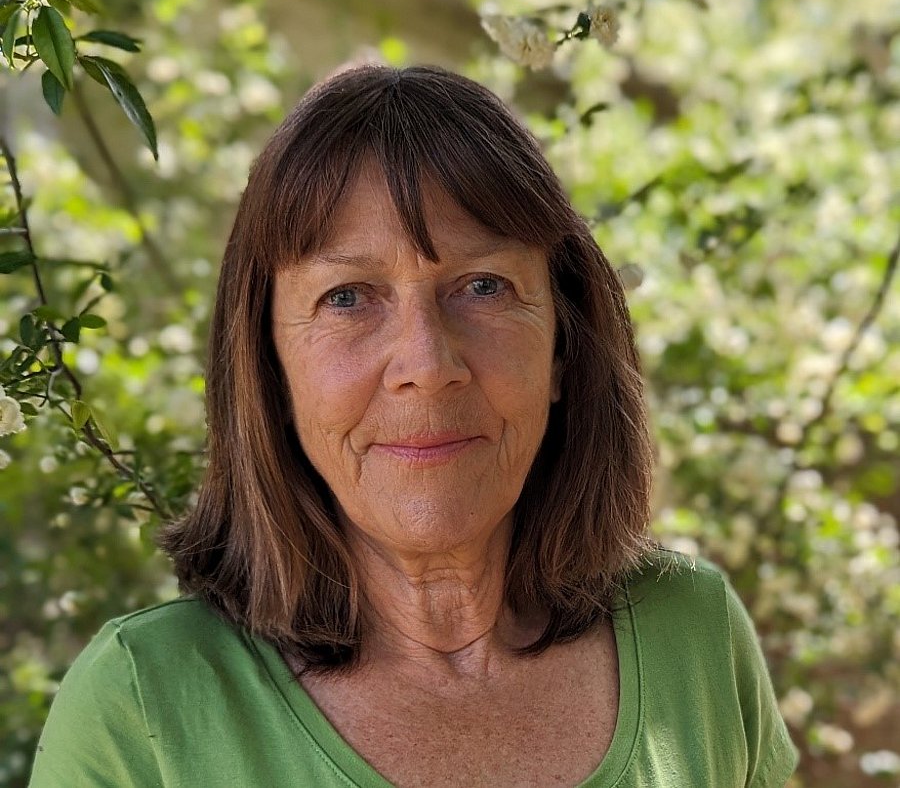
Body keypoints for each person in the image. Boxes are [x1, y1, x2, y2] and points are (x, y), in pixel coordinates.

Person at [29, 64, 798, 787]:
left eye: (484, 286)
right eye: (347, 297)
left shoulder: (695, 637)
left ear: (564, 346)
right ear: (269, 369)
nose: (427, 365)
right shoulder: (142, 707)